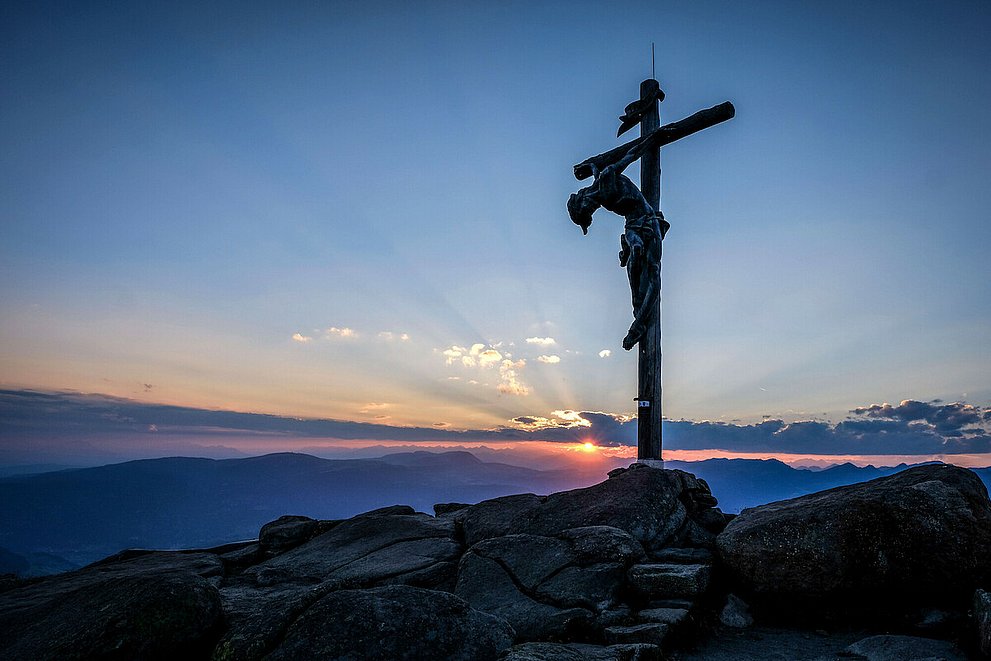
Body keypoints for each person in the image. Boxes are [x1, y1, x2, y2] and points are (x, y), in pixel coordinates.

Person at [567, 145, 670, 350]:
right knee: (634, 265)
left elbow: (630, 155)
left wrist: (651, 139)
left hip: (649, 220)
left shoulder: (607, 176)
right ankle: (638, 313)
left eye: (587, 212)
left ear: (583, 199)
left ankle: (638, 324)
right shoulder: (600, 184)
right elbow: (596, 174)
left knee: (652, 271)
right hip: (631, 226)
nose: (592, 212)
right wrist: (592, 166)